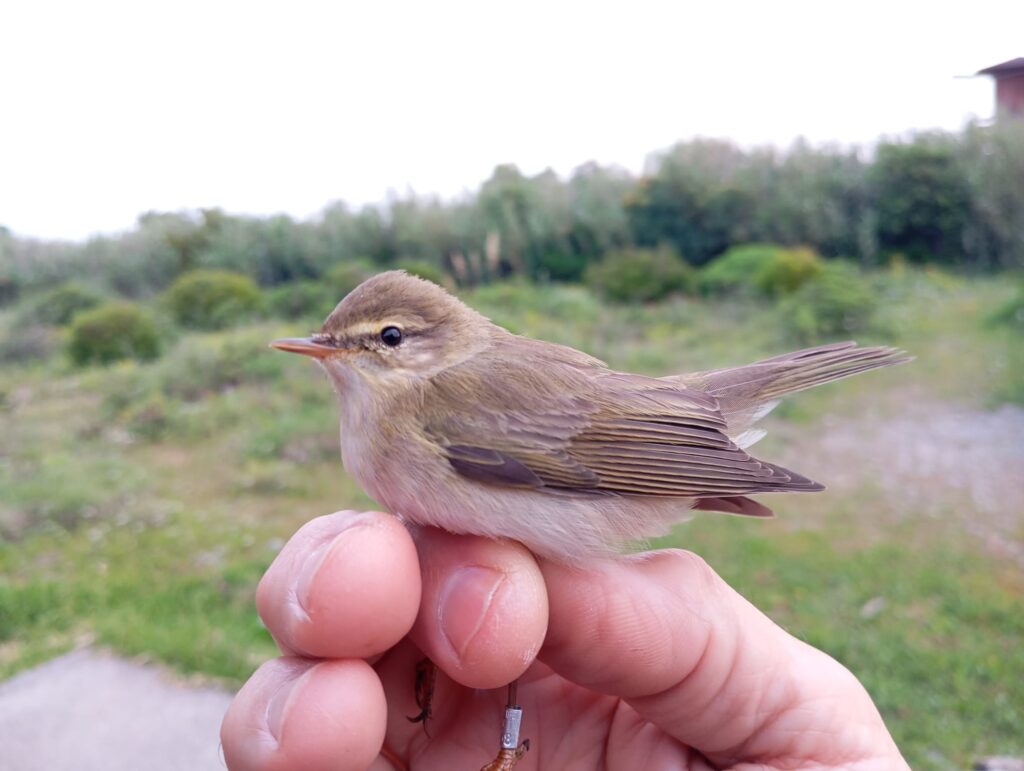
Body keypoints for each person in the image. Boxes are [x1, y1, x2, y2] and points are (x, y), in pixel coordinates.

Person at [220, 510, 909, 770]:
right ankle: (483, 711)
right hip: (505, 671)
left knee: (508, 606)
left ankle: (497, 725)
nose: (346, 355)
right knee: (488, 612)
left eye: (388, 338)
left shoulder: (437, 402)